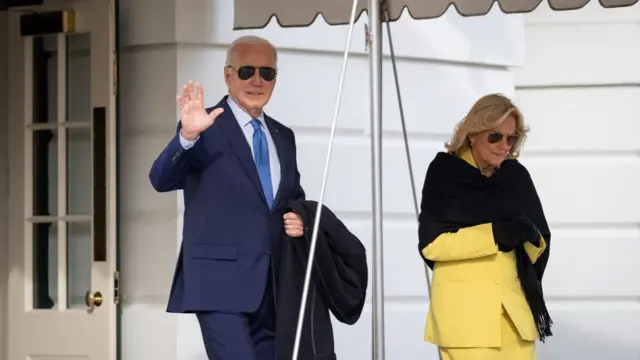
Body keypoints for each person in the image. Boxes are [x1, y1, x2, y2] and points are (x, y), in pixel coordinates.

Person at [149, 35, 306, 360]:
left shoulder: (283, 136)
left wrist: (300, 217)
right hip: (219, 283)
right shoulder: (204, 125)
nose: (257, 80)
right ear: (228, 75)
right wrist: (188, 136)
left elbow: (292, 198)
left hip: (273, 285)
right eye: (247, 70)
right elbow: (161, 179)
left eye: (267, 73)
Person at [417, 93, 553, 360]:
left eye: (510, 138)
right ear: (473, 134)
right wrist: (494, 234)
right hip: (466, 321)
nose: (504, 145)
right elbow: (433, 245)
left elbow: (538, 245)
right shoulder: (444, 173)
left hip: (516, 321)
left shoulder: (516, 177)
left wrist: (531, 237)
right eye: (495, 136)